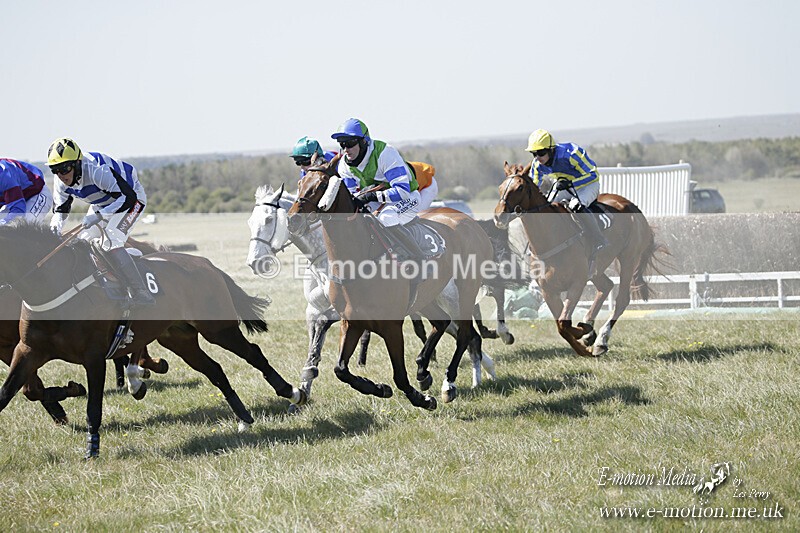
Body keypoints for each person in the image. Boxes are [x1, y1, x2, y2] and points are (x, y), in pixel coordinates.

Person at [47, 137, 155, 306]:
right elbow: (60, 210)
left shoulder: (97, 170)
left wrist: (100, 215)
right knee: (82, 242)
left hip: (131, 199)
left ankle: (141, 292)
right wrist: (52, 232)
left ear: (76, 163)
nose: (61, 175)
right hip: (102, 203)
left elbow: (127, 198)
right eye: (55, 169)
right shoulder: (60, 182)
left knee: (110, 241)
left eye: (65, 168)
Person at [330, 118, 430, 260]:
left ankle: (419, 258)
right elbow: (353, 196)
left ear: (364, 141)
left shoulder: (385, 153)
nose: (346, 149)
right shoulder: (344, 166)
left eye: (350, 143)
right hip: (380, 199)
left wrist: (372, 196)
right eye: (342, 144)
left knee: (386, 217)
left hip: (407, 197)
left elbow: (402, 191)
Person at [526, 128, 608, 260]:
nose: (537, 157)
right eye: (533, 154)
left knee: (576, 205)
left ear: (551, 149)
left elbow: (593, 175)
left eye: (541, 153)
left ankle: (598, 239)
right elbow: (534, 185)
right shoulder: (537, 164)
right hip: (564, 185)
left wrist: (571, 183)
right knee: (546, 208)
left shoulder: (571, 154)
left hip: (588, 185)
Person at [0, 158, 53, 225]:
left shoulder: (5, 175)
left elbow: (18, 212)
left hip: (37, 193)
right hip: (17, 200)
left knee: (24, 224)